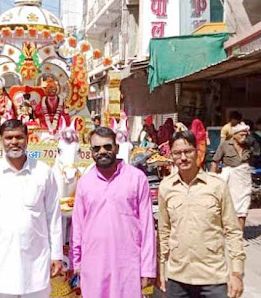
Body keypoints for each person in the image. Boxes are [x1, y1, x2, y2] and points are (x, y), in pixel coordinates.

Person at [0, 120, 63, 298]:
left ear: (27, 139)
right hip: (0, 259)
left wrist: (57, 254)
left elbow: (54, 216)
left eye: (19, 137)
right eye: (9, 138)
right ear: (1, 140)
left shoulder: (43, 172)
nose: (14, 142)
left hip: (35, 260)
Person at [71, 127, 156, 297]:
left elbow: (147, 227)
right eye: (97, 148)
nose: (102, 151)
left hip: (127, 267)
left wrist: (147, 269)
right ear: (91, 152)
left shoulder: (136, 178)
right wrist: (76, 263)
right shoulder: (85, 182)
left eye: (107, 147)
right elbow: (77, 227)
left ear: (116, 148)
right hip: (93, 266)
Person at [158, 131, 245, 298]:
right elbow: (163, 232)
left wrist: (236, 273)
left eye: (188, 151)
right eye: (177, 153)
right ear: (171, 156)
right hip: (178, 279)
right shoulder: (166, 188)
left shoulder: (217, 186)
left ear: (197, 152)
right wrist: (160, 268)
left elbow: (233, 231)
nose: (183, 158)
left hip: (213, 278)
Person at [211, 122, 253, 231]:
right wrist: (211, 179)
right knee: (228, 206)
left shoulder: (249, 146)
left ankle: (239, 235)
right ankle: (228, 231)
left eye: (246, 135)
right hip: (229, 180)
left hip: (244, 180)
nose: (244, 137)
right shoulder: (225, 145)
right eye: (241, 135)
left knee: (243, 207)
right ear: (234, 134)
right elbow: (215, 162)